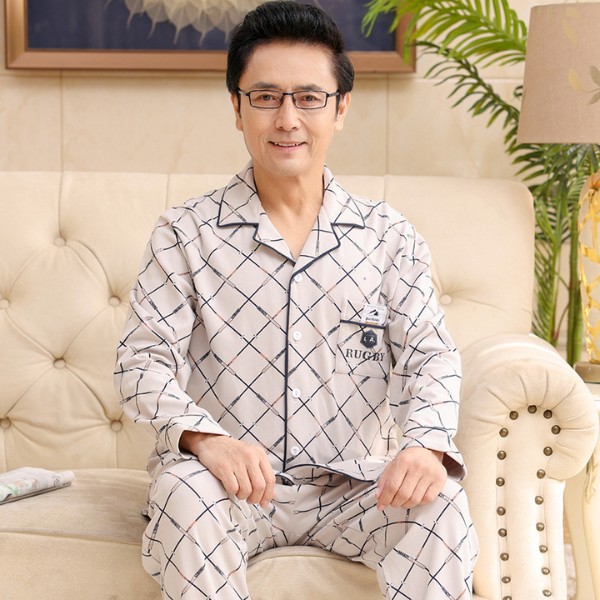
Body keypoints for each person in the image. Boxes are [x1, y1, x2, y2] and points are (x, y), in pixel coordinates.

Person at [115, 2, 479, 598]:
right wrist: (207, 441)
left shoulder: (389, 238)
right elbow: (141, 363)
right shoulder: (183, 234)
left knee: (441, 503)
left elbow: (431, 358)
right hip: (229, 487)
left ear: (341, 108)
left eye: (309, 98)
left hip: (356, 489)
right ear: (237, 108)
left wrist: (426, 444)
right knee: (184, 494)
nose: (287, 119)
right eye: (266, 97)